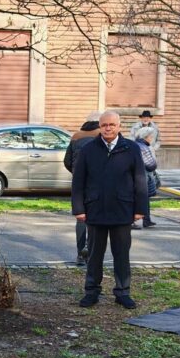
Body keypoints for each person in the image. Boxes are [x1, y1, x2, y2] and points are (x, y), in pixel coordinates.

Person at [71, 110, 147, 310]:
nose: (108, 128)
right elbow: (78, 181)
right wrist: (78, 208)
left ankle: (123, 292)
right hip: (95, 210)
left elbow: (140, 179)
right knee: (94, 254)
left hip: (122, 210)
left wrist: (140, 209)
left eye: (112, 125)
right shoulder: (89, 149)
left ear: (119, 126)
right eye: (104, 125)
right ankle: (91, 291)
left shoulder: (131, 149)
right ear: (99, 126)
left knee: (121, 254)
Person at [64, 111, 100, 265]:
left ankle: (80, 254)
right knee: (96, 219)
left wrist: (76, 173)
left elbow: (67, 161)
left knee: (81, 218)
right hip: (98, 183)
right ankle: (92, 253)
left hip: (79, 183)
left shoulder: (76, 136)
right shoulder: (102, 136)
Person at [134, 126, 158, 228]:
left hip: (137, 176)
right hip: (143, 177)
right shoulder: (143, 147)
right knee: (143, 199)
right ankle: (144, 220)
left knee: (143, 199)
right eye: (151, 136)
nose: (152, 139)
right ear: (146, 137)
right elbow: (151, 165)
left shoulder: (135, 145)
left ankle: (147, 219)